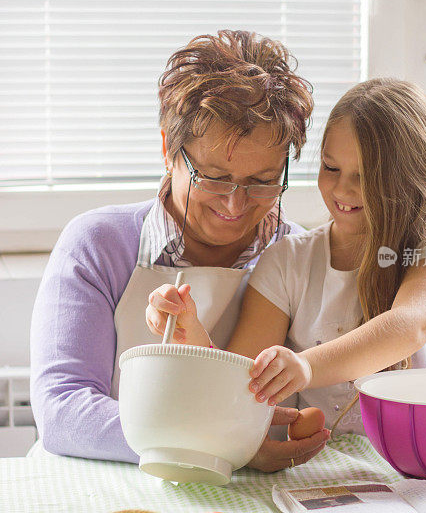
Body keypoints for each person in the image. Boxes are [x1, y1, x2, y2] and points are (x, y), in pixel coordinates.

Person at [31, 29, 331, 471]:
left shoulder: (299, 256)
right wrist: (224, 441)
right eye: (213, 176)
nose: (235, 203)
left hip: (240, 501)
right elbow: (62, 410)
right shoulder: (97, 244)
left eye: (262, 181)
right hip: (99, 484)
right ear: (169, 149)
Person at [146, 78, 426, 434]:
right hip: (324, 469)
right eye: (331, 168)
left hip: (422, 460)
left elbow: (410, 325)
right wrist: (192, 333)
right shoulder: (287, 261)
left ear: (411, 177)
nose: (342, 189)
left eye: (366, 177)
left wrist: (305, 367)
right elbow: (241, 383)